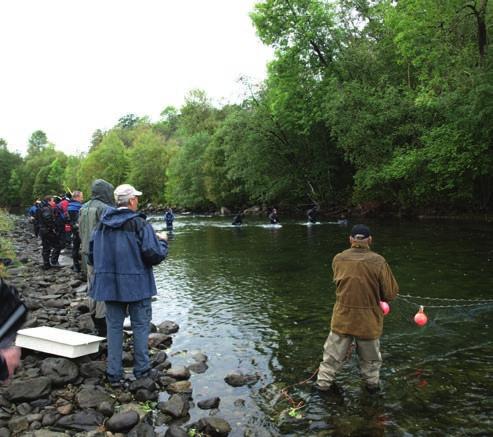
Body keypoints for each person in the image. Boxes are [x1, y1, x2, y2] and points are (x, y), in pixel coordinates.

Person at [88, 184, 168, 384]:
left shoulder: (101, 225)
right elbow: (154, 255)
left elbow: (91, 257)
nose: (137, 201)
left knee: (113, 328)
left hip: (109, 287)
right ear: (131, 201)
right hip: (137, 286)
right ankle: (142, 371)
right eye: (136, 198)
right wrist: (164, 241)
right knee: (140, 327)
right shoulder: (140, 224)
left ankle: (114, 374)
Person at [315, 224, 399, 394]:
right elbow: (390, 294)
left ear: (350, 240)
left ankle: (321, 388)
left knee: (331, 359)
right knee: (371, 362)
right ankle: (372, 390)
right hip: (368, 321)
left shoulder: (338, 258)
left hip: (342, 318)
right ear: (370, 240)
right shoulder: (379, 261)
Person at [78, 179, 114, 336]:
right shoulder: (105, 209)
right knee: (103, 289)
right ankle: (102, 324)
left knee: (91, 285)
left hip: (87, 253)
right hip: (102, 255)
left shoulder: (83, 207)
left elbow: (79, 231)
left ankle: (95, 319)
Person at [36, 196, 65, 269]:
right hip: (48, 231)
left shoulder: (41, 208)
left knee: (46, 247)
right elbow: (48, 219)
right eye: (52, 201)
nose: (54, 202)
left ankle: (46, 264)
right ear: (49, 201)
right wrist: (54, 227)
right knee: (58, 245)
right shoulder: (46, 209)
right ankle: (54, 261)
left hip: (43, 230)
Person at [67, 191, 84, 273]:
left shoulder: (69, 206)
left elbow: (66, 219)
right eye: (81, 197)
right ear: (76, 197)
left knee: (75, 248)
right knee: (84, 247)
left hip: (73, 229)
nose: (82, 198)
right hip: (80, 229)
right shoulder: (79, 207)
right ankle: (84, 266)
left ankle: (76, 266)